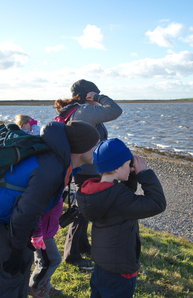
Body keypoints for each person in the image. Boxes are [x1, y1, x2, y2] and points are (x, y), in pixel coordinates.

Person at [0, 120, 100, 298]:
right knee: (6, 278)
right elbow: (26, 213)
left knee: (24, 262)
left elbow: (33, 209)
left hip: (5, 216)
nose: (98, 148)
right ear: (81, 147)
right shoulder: (51, 169)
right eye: (95, 144)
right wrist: (16, 249)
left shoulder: (61, 161)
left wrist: (21, 247)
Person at [76, 138, 166, 297]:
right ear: (117, 168)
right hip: (120, 271)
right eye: (127, 164)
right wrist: (144, 174)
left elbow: (123, 193)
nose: (130, 167)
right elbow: (157, 203)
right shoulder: (119, 198)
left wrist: (128, 173)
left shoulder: (97, 191)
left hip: (102, 265)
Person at [55, 79, 122, 270]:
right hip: (86, 169)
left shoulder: (75, 110)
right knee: (81, 212)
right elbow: (115, 110)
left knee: (85, 212)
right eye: (95, 93)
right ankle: (71, 255)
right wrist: (99, 98)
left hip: (84, 168)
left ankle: (83, 246)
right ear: (88, 95)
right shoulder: (83, 110)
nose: (98, 97)